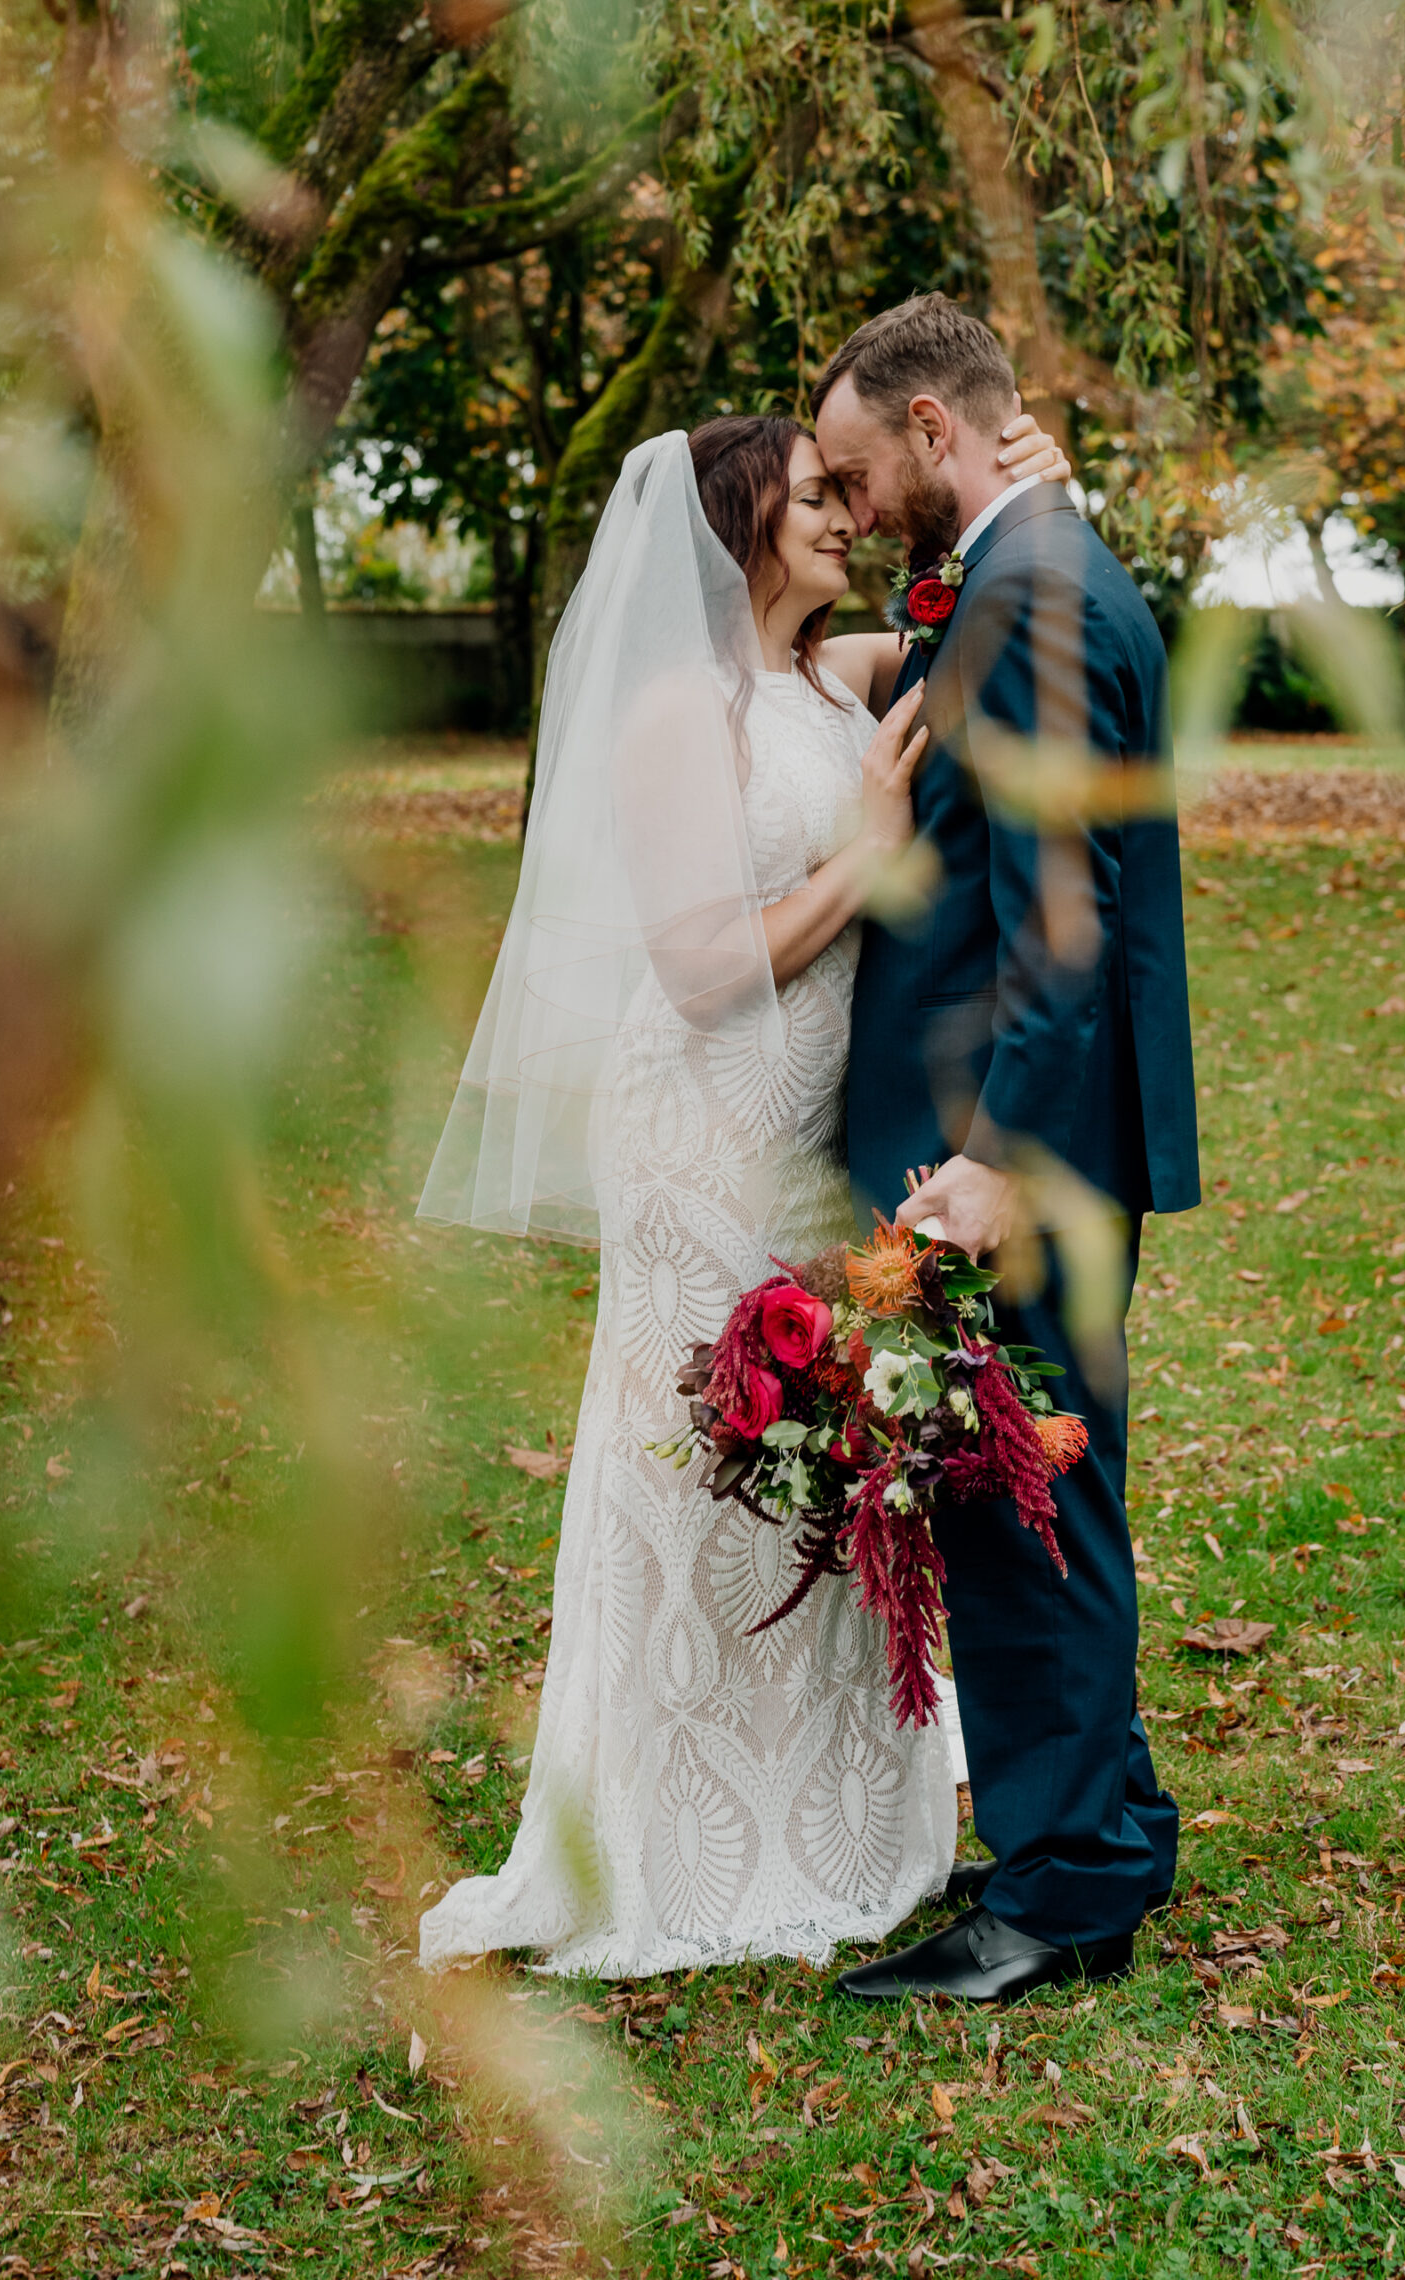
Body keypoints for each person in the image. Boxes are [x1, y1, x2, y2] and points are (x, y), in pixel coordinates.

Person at [415, 399, 1069, 1978]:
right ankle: (675, 1839)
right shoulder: (670, 713)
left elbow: (968, 621)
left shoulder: (826, 676)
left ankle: (831, 1814)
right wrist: (870, 850)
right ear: (736, 530)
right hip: (698, 1129)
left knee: (826, 1457)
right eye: (811, 502)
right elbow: (705, 969)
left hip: (807, 1133)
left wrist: (1035, 494)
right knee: (698, 1470)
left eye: (845, 496)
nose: (845, 517)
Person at [812, 293, 1202, 2004]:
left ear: (927, 424)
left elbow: (1063, 913)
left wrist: (991, 1156)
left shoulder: (1037, 586)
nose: (847, 499)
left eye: (851, 466)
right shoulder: (1026, 566)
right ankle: (1097, 1823)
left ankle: (1061, 1894)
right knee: (1047, 1489)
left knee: (1024, 1502)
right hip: (1035, 1143)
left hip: (1015, 1154)